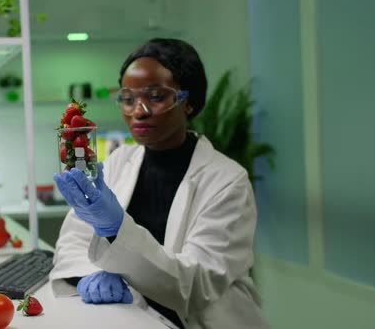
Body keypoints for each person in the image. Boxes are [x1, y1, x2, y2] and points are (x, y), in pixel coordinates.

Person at [50, 38, 268, 329]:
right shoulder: (117, 162)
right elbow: (74, 241)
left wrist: (117, 231)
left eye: (156, 96)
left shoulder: (227, 181)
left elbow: (195, 285)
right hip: (132, 318)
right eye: (128, 99)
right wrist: (90, 273)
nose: (138, 111)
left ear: (188, 102)